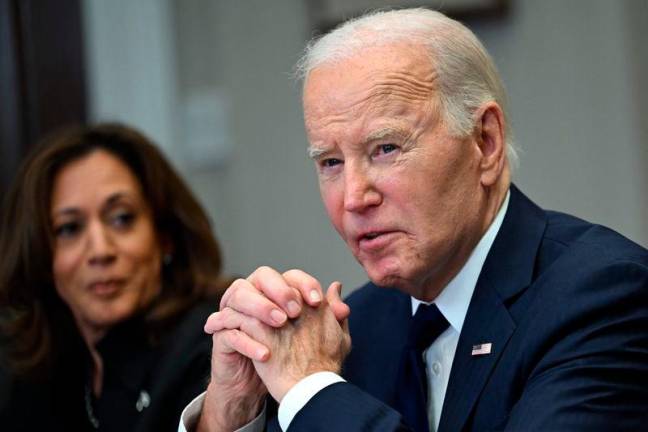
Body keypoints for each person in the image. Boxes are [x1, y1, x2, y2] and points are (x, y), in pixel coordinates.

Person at [184, 8, 648, 432]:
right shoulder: (354, 329)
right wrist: (233, 412)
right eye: (329, 162)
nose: (353, 198)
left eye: (386, 149)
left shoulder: (604, 297)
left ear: (484, 143)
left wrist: (312, 391)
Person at [0, 123, 232, 431]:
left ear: (164, 235)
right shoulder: (40, 372)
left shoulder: (212, 341)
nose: (100, 250)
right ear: (41, 256)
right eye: (69, 228)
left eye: (122, 219)